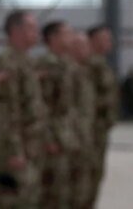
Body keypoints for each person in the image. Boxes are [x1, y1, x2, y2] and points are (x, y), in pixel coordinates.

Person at [0, 10, 48, 208]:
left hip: (29, 148)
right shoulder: (8, 63)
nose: (37, 32)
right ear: (16, 31)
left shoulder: (26, 61)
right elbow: (6, 112)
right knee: (14, 201)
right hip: (13, 151)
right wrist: (14, 151)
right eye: (31, 28)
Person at [35, 21, 78, 208]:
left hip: (66, 137)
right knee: (49, 194)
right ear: (53, 38)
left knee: (63, 193)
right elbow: (40, 105)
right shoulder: (46, 64)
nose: (72, 37)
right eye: (67, 33)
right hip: (52, 140)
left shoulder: (66, 64)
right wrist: (48, 138)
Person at [86, 24, 120, 207]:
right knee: (87, 177)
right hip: (89, 130)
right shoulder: (88, 65)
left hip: (100, 129)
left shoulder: (101, 64)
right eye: (105, 38)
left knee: (95, 175)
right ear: (93, 40)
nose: (110, 42)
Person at [68, 32, 96, 209]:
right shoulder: (66, 72)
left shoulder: (84, 72)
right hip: (69, 142)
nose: (88, 50)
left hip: (84, 139)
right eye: (84, 46)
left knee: (82, 190)